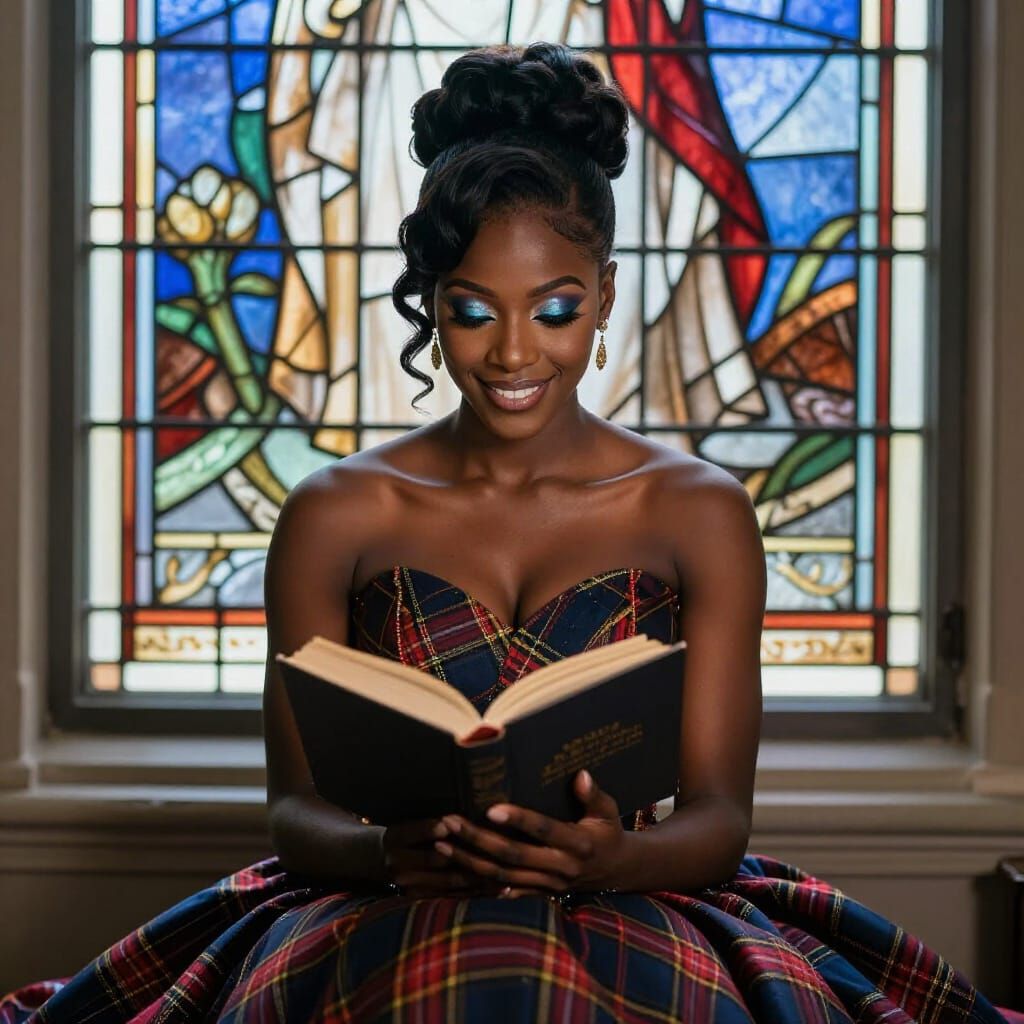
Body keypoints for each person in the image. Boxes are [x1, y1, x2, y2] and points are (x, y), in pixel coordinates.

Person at [1, 41, 1017, 1024]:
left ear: (605, 295)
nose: (514, 354)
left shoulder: (699, 513)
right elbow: (296, 812)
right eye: (474, 311)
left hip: (629, 905)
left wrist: (612, 858)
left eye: (556, 309)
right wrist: (389, 853)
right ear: (429, 304)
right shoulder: (334, 513)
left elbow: (717, 819)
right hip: (386, 909)